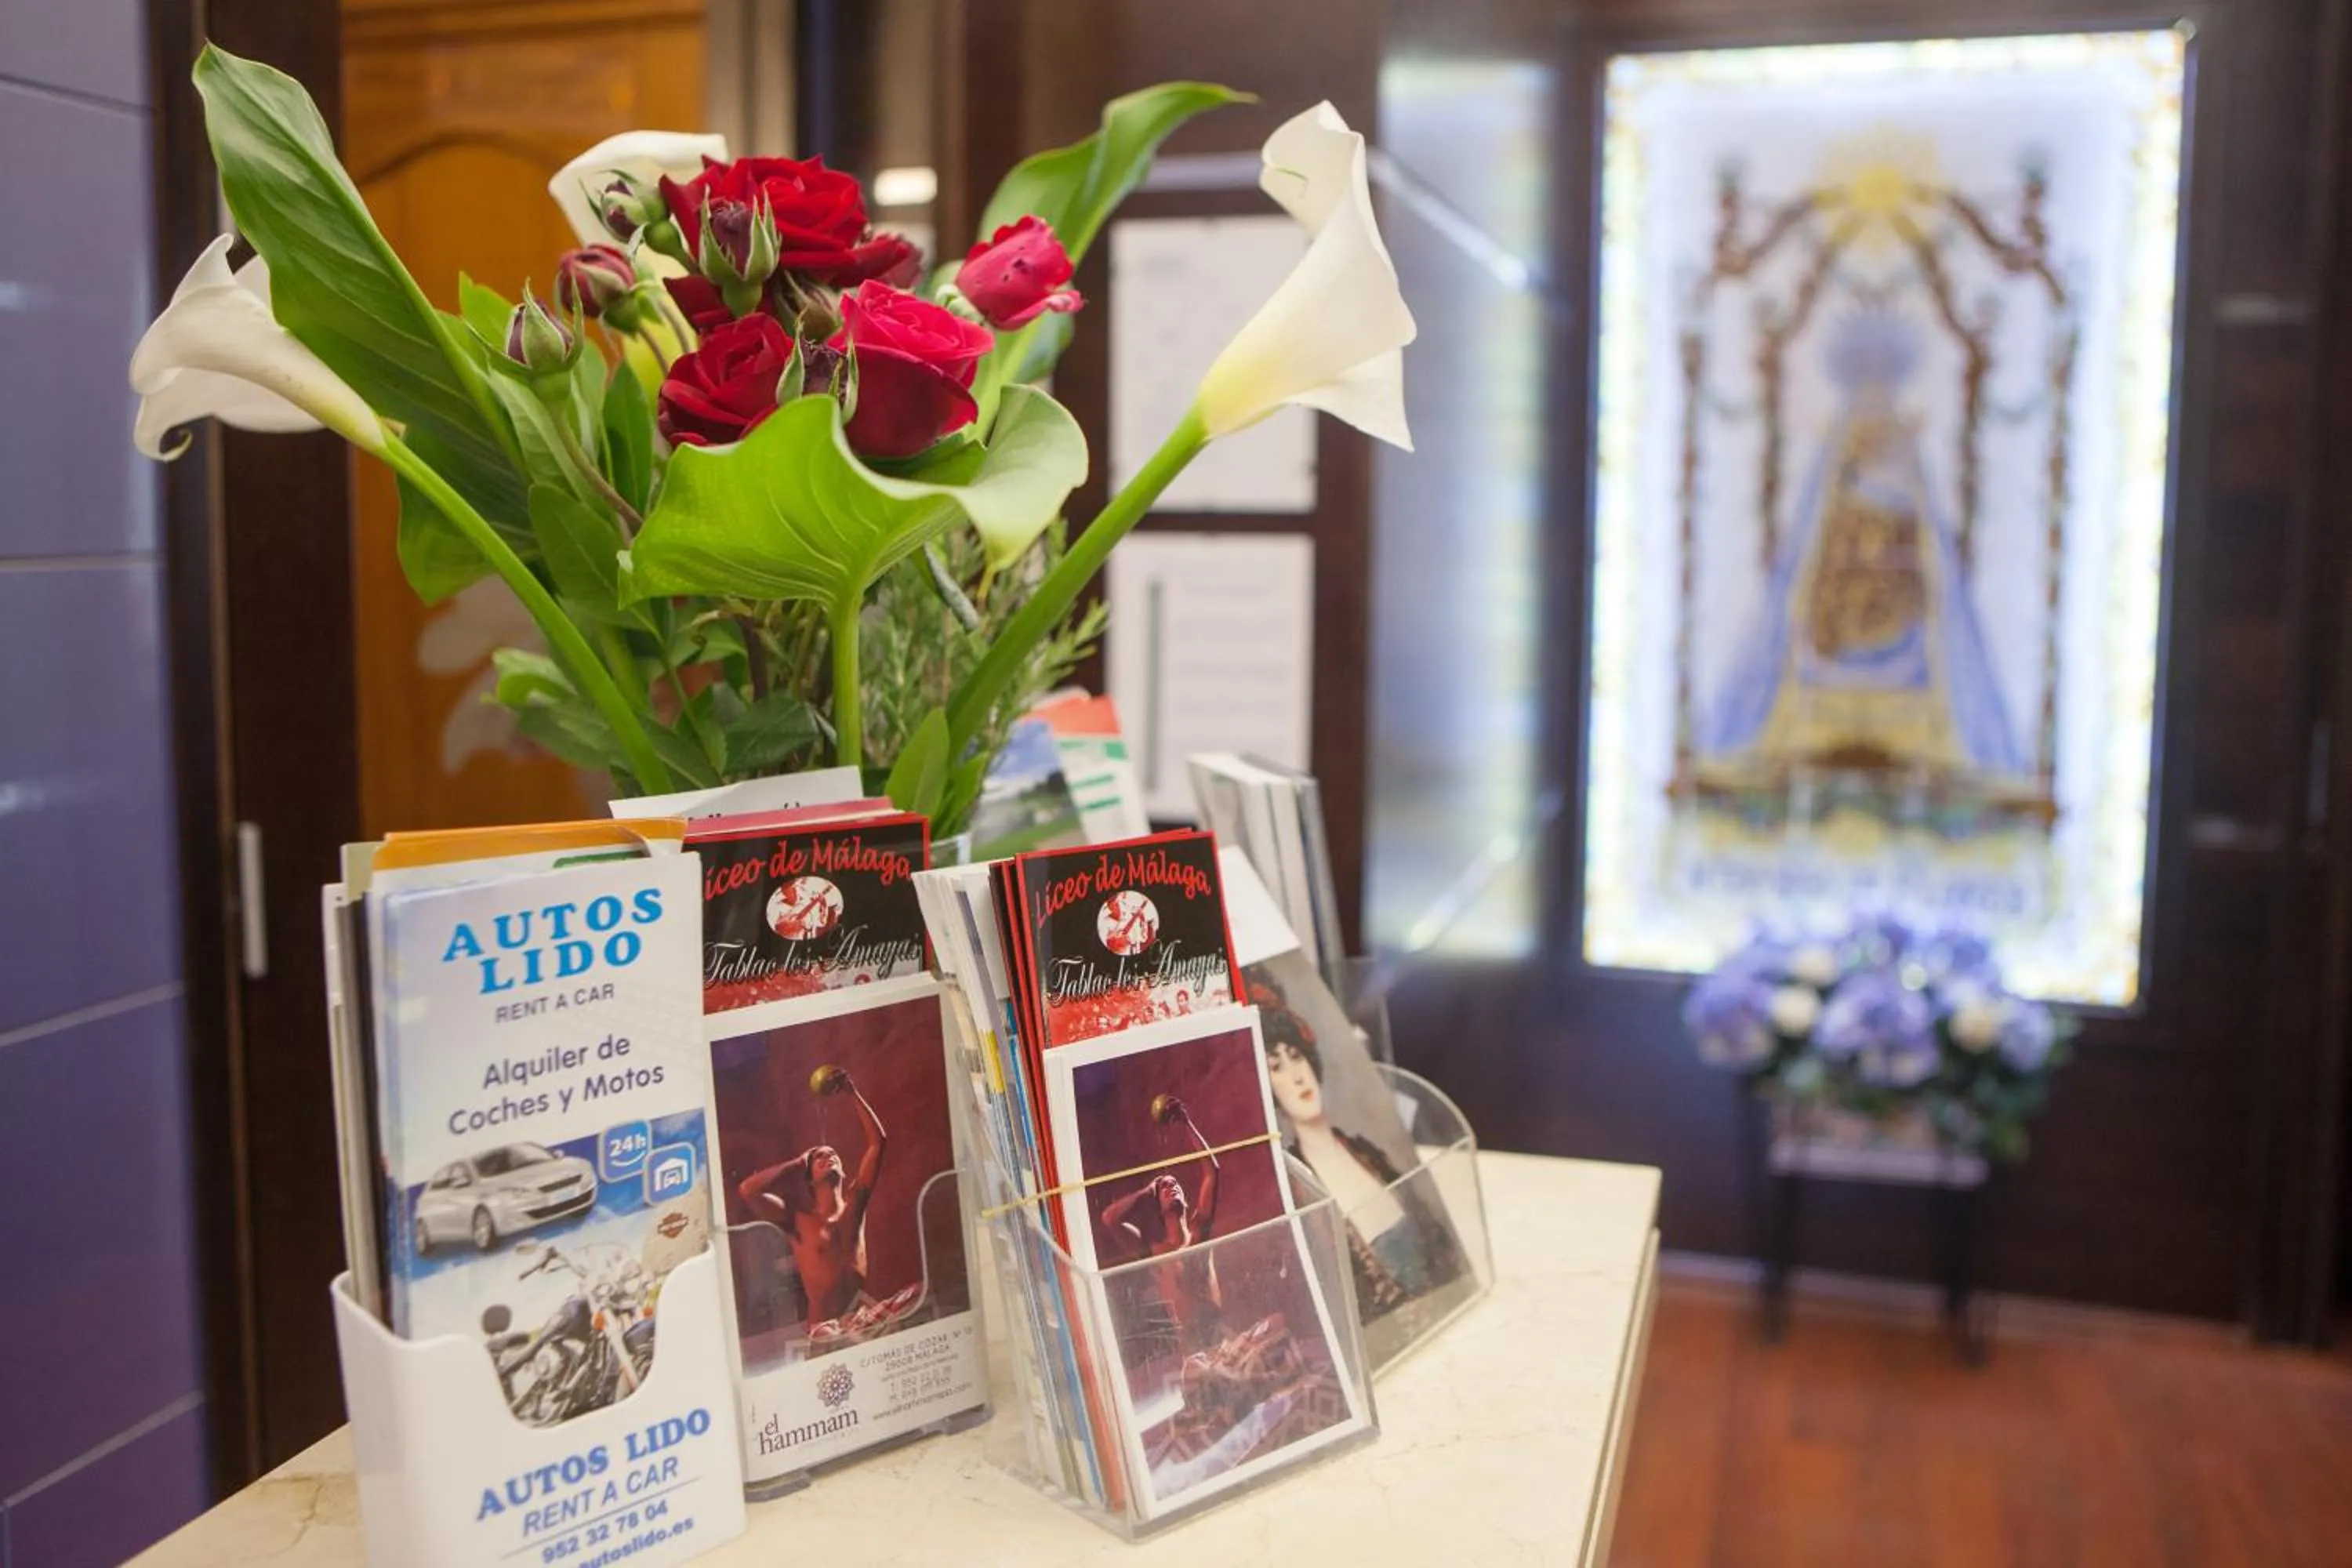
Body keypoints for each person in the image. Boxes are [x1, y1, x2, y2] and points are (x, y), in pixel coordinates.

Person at [1260, 1007, 1461, 1317]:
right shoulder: (1301, 1189)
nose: (1297, 1075)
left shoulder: (1367, 1153)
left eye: (1296, 1057)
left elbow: (1440, 1247)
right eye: (1276, 1066)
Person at [737, 1065, 885, 1331]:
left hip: (860, 1323)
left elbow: (877, 1143)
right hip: (823, 1330)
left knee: (915, 1295)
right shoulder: (797, 1219)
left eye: (833, 1154)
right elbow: (748, 1190)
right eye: (819, 1157)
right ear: (809, 1179)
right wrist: (797, 1162)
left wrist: (852, 1093)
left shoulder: (855, 1204)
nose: (829, 1156)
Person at [1098, 1095, 1224, 1352]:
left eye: (1176, 1185)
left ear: (1187, 1202)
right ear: (1157, 1206)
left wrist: (1186, 1123)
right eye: (1165, 1188)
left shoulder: (1199, 1232)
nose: (1172, 1187)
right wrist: (1148, 1190)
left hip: (1216, 1329)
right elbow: (1110, 1218)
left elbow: (1212, 1172)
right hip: (1188, 1340)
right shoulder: (1153, 1252)